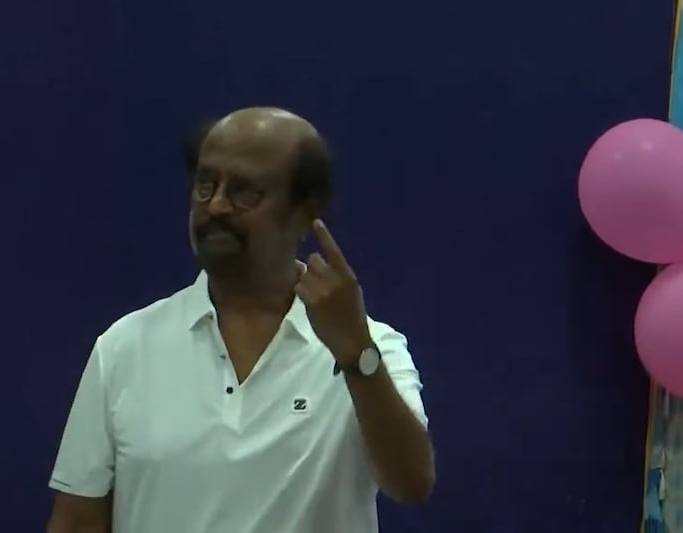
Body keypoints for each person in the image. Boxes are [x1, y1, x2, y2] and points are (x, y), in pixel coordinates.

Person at [47, 107, 435, 533]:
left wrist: (357, 357)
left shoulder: (371, 347)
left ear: (304, 212)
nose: (216, 205)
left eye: (244, 191)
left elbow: (412, 483)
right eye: (206, 185)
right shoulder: (125, 346)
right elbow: (77, 521)